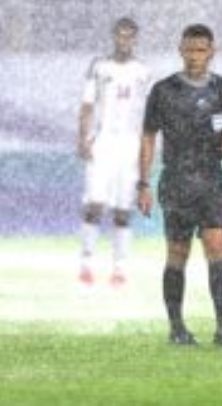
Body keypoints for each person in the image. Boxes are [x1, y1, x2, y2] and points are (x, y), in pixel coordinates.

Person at [137, 24, 222, 346]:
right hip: (178, 179)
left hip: (212, 179)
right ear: (180, 50)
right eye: (190, 49)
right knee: (177, 253)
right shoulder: (163, 90)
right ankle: (177, 328)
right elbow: (148, 136)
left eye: (201, 49)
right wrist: (143, 183)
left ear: (212, 52)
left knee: (218, 248)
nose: (195, 55)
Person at [76, 17, 152, 287]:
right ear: (114, 37)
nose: (124, 40)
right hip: (103, 142)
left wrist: (147, 149)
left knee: (123, 208)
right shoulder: (100, 67)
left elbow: (149, 115)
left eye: (129, 36)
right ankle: (86, 263)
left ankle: (119, 268)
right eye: (120, 35)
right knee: (95, 203)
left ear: (135, 39)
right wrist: (82, 138)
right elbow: (86, 105)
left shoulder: (143, 71)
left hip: (130, 146)